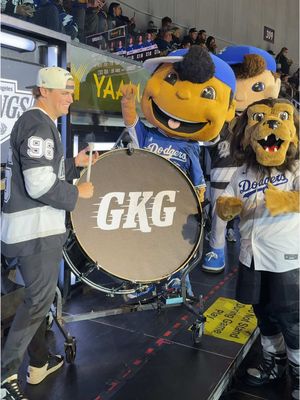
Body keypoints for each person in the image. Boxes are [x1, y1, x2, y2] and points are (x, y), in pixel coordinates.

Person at [1, 66, 98, 400]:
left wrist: (73, 163)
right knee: (39, 300)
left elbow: (46, 171)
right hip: (36, 232)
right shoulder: (38, 124)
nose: (70, 98)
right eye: (65, 92)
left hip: (28, 231)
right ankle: (5, 376)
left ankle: (39, 362)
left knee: (37, 300)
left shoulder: (40, 124)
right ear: (43, 91)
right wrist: (77, 193)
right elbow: (40, 184)